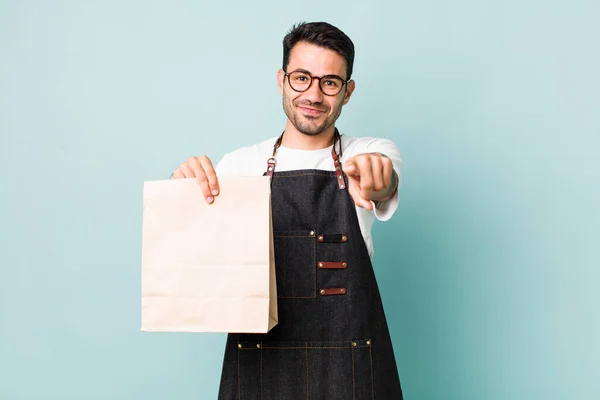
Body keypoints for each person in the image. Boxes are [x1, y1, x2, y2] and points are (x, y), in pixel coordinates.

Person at [171, 21, 404, 399]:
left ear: (347, 92)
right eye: (301, 78)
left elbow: (383, 179)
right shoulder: (241, 166)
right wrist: (182, 184)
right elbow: (189, 241)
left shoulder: (369, 152)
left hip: (349, 362)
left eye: (330, 82)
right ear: (281, 80)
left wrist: (380, 180)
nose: (313, 94)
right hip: (261, 361)